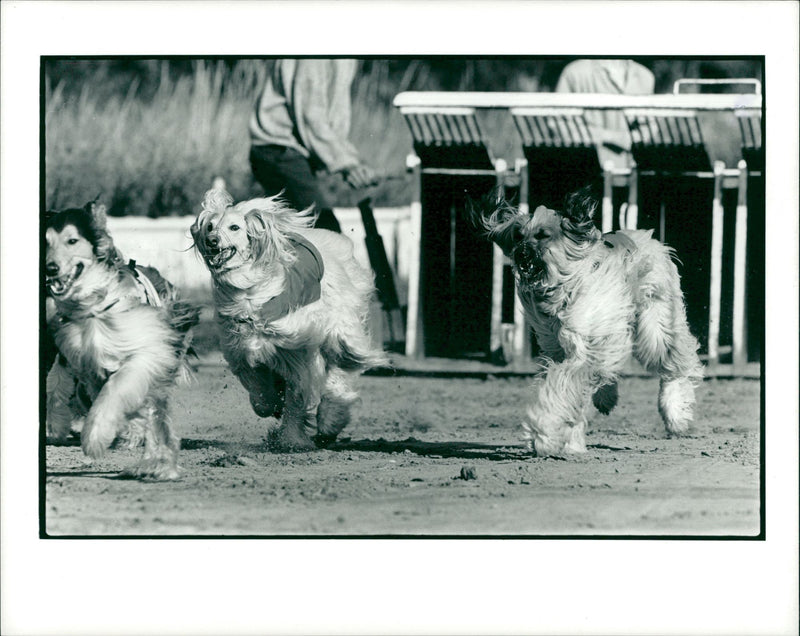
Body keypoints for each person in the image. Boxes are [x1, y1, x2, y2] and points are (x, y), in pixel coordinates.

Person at [248, 58, 378, 233]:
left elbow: (332, 115)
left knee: (307, 234)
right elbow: (311, 117)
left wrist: (351, 160)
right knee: (326, 232)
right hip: (278, 150)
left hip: (290, 151)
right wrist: (346, 163)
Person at [555, 58, 655, 170]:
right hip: (583, 168)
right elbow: (558, 124)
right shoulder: (575, 72)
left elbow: (650, 127)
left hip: (631, 169)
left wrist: (634, 138)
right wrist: (610, 137)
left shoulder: (644, 76)